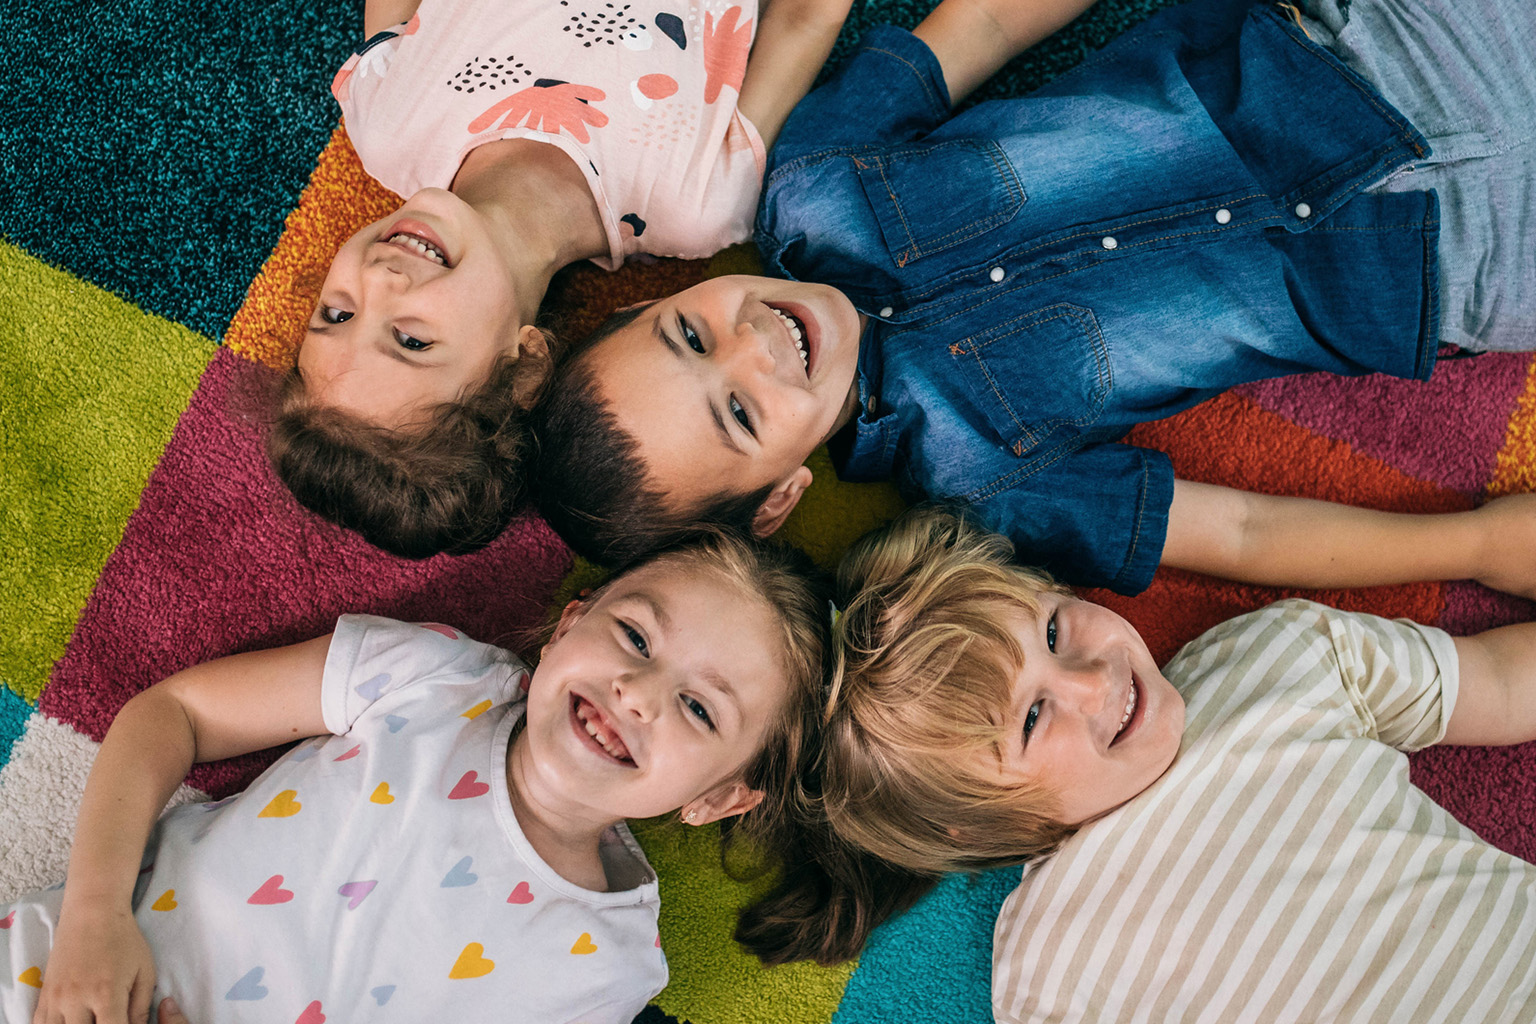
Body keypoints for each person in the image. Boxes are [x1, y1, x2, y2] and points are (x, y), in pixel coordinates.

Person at [527, 0, 1536, 596]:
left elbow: (986, 23)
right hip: (1462, 260)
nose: (750, 344)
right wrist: (1477, 548)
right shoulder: (985, 487)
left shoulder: (816, 176)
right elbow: (1242, 535)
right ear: (782, 498)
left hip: (1382, 43)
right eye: (741, 413)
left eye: (689, 332)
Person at [2, 532, 831, 1024]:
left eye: (698, 710)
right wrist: (94, 913)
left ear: (719, 798)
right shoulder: (432, 680)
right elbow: (174, 714)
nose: (638, 695)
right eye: (637, 639)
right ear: (570, 624)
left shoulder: (609, 969)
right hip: (54, 981)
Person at [797, 506, 1536, 1021]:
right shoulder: (1046, 971)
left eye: (1053, 628)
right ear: (977, 827)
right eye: (1030, 719)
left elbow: (1498, 684)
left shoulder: (1278, 656)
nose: (1093, 680)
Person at [268, 0, 851, 557]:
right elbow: (804, 17)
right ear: (524, 367)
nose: (379, 280)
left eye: (337, 315)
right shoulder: (697, 203)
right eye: (411, 341)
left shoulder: (385, 121)